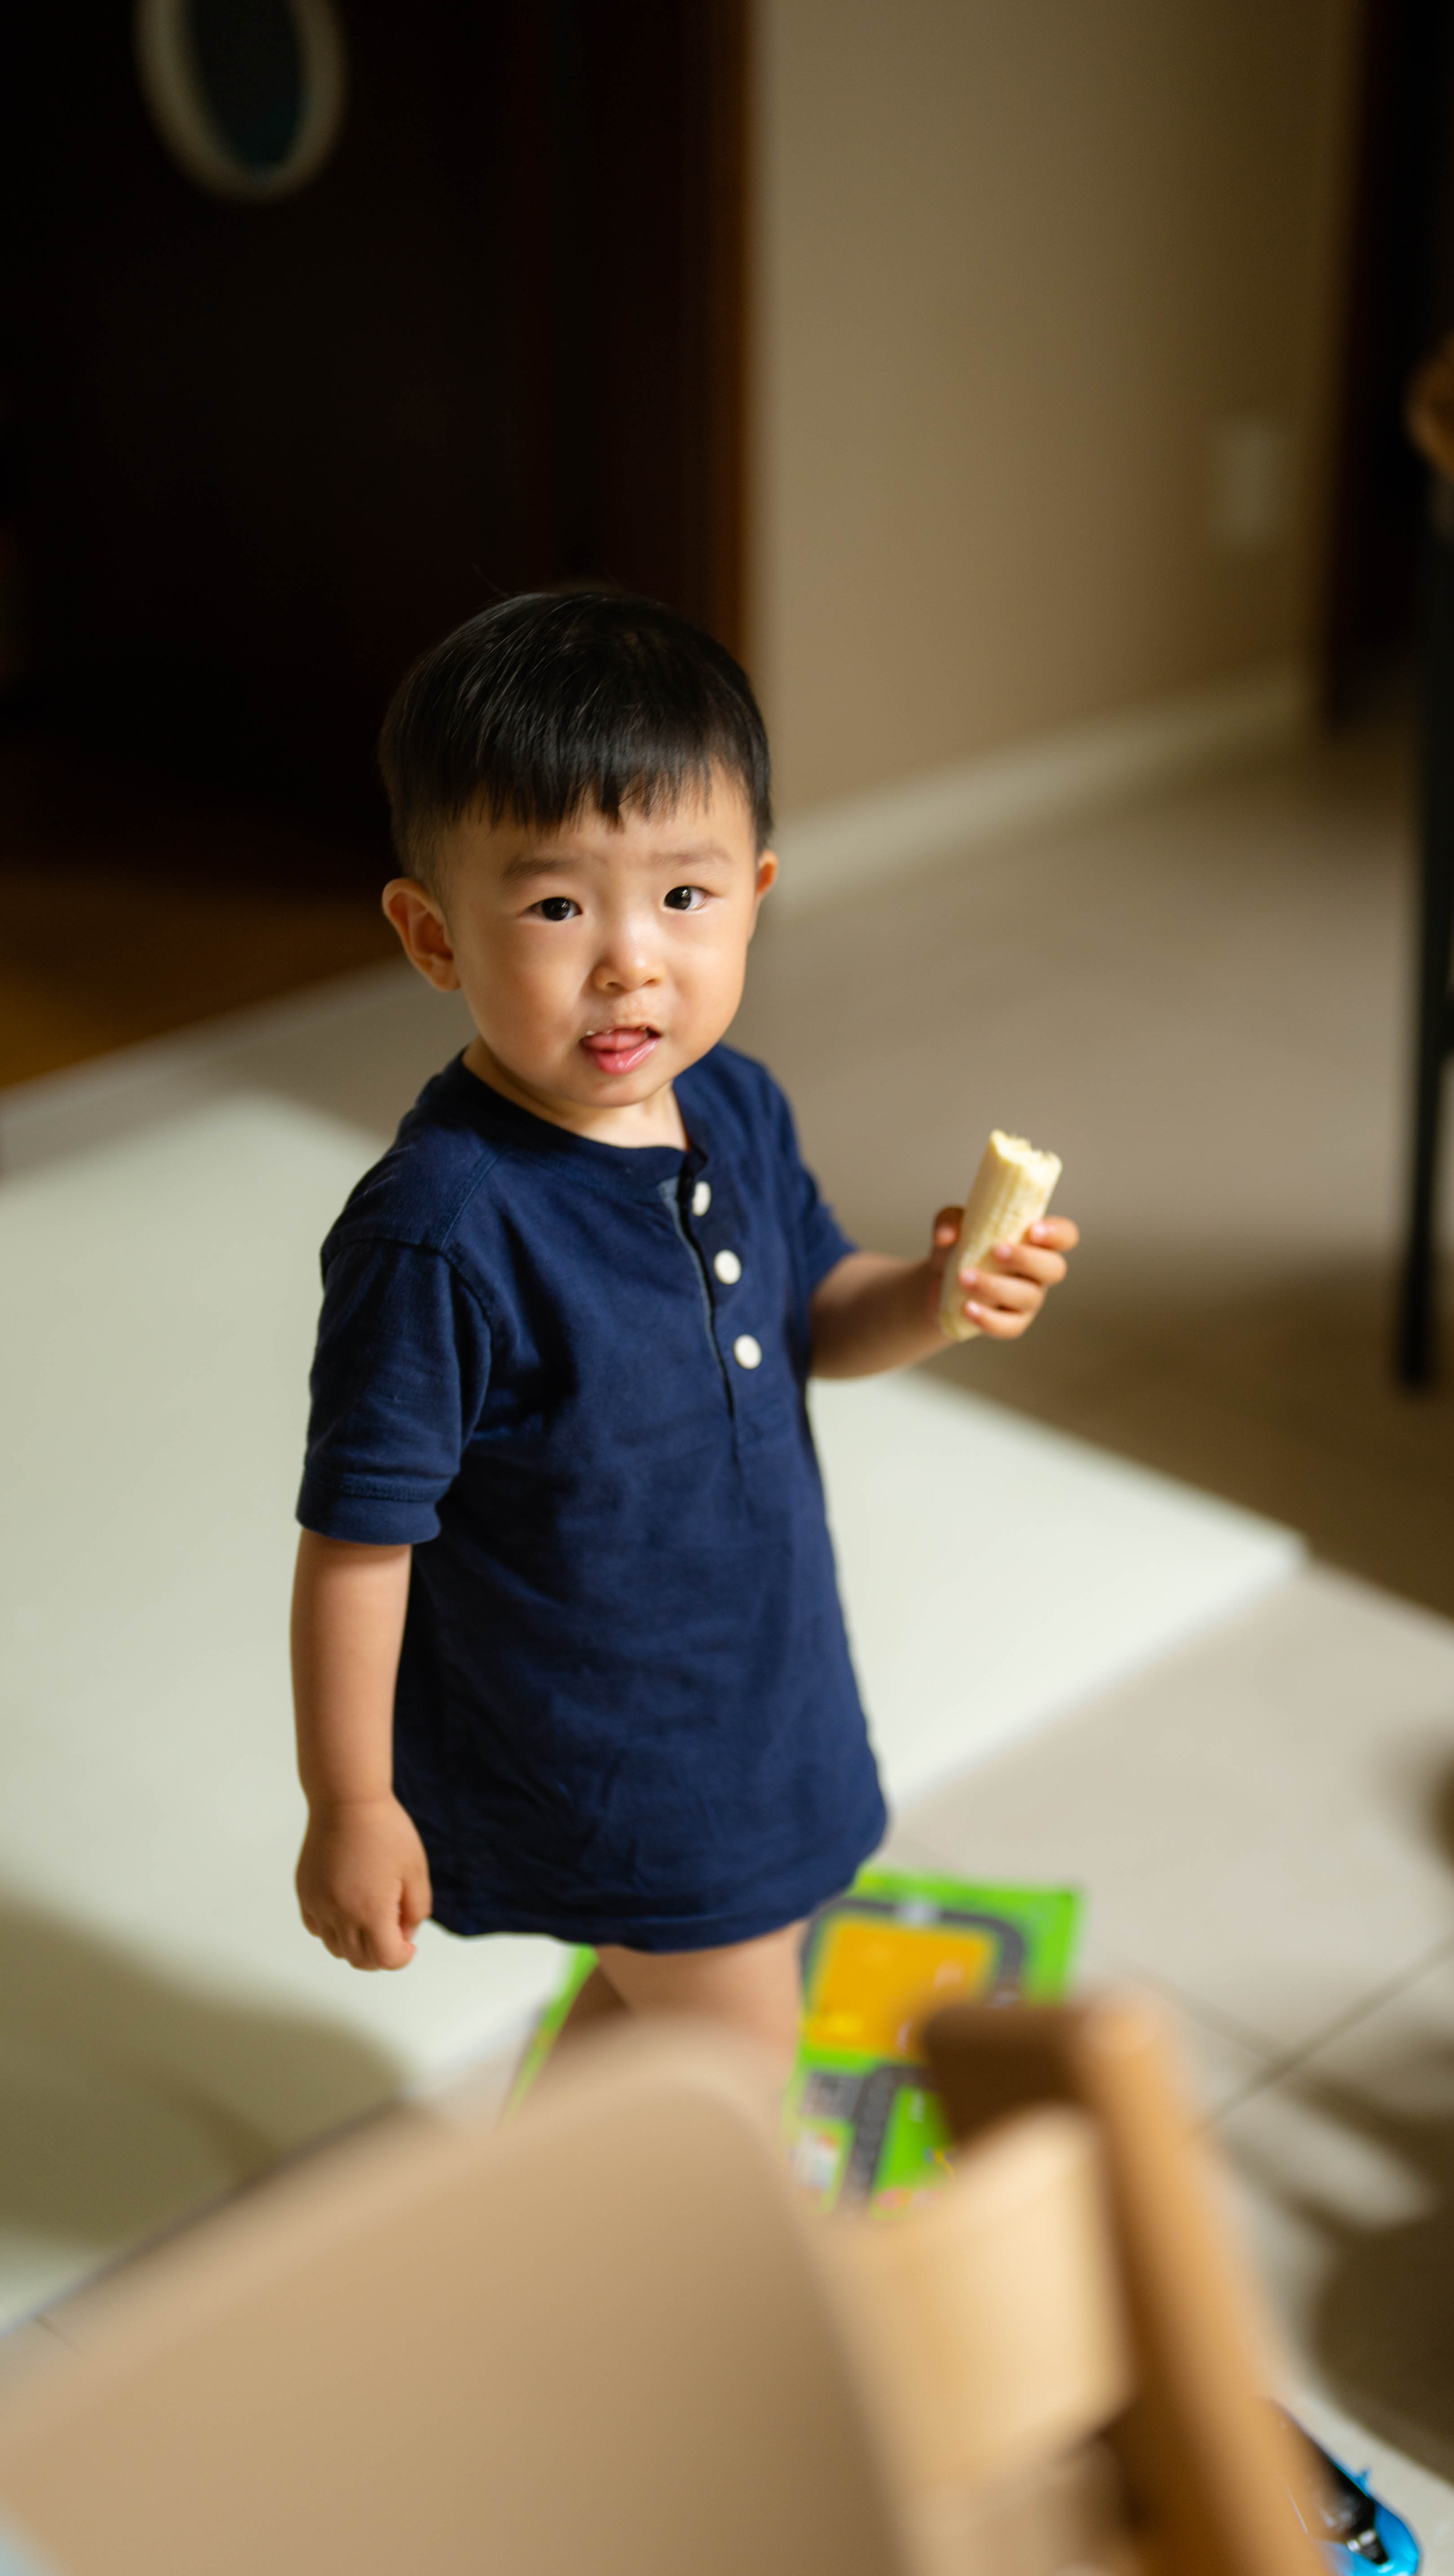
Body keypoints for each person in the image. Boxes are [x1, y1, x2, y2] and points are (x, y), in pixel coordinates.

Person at [291, 589, 1079, 2072]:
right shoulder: (441, 1232)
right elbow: (358, 1542)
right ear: (431, 934)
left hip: (758, 1691)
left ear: (756, 893)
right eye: (556, 908)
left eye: (685, 898)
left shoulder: (735, 1103)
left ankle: (565, 2193)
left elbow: (814, 1318)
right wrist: (353, 1801)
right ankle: (691, 2227)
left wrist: (937, 1297)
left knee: (664, 2030)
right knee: (730, 2068)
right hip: (604, 1754)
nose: (630, 960)